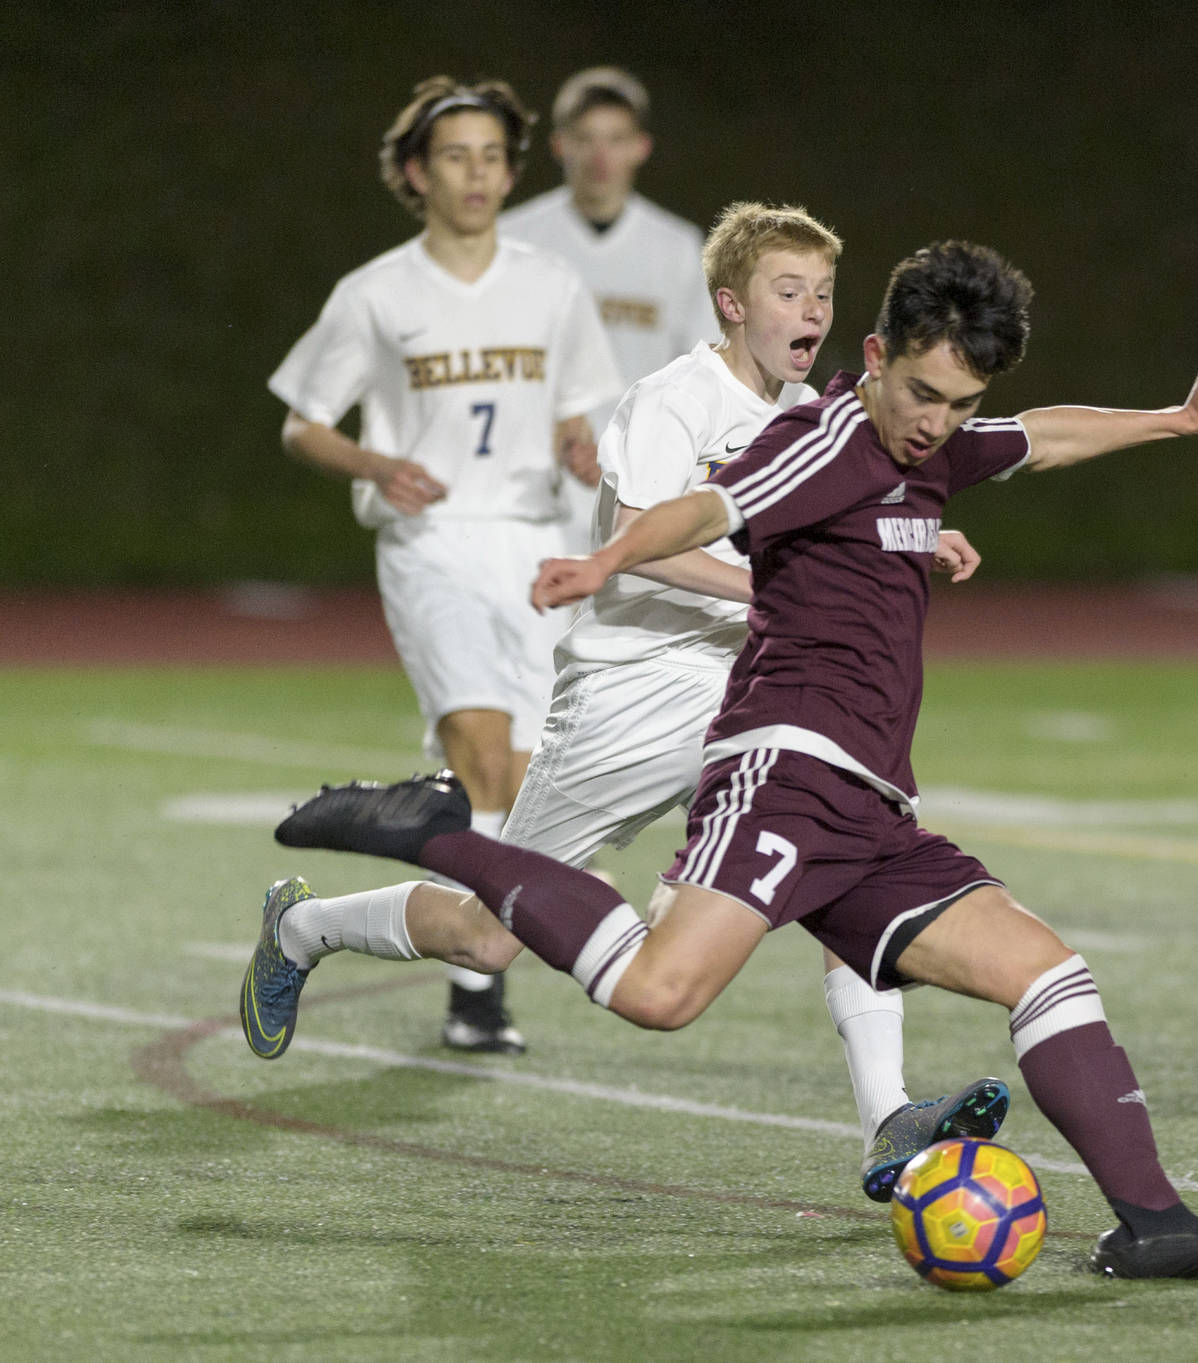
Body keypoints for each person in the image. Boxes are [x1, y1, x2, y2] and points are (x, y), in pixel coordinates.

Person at [253, 241, 1198, 1281]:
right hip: (784, 769)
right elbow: (711, 508)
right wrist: (606, 559)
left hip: (871, 813)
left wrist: (1176, 418)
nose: (936, 421)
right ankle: (433, 831)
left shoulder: (932, 444)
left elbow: (1042, 436)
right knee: (659, 992)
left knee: (1048, 976)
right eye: (921, 391)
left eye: (959, 404)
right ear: (875, 354)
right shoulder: (826, 435)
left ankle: (1153, 1222)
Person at [252, 201, 1007, 1200]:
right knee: (489, 932)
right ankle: (304, 929)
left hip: (758, 697)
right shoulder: (670, 401)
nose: (811, 309)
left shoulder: (834, 414)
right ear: (733, 304)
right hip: (633, 690)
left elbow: (868, 514)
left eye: (824, 292)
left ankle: (884, 1118)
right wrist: (774, 586)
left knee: (843, 857)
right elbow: (644, 542)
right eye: (789, 290)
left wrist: (911, 542)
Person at [267, 77, 621, 1056]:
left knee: (525, 778)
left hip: (533, 540)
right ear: (418, 172)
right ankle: (478, 993)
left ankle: (464, 967)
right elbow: (303, 425)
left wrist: (580, 450)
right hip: (430, 542)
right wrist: (375, 461)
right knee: (480, 747)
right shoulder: (376, 293)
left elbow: (576, 413)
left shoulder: (550, 285)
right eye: (455, 156)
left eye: (492, 157)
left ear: (512, 172)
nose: (476, 174)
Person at [500, 67, 723, 552]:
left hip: (642, 484)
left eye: (616, 139)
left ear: (641, 146)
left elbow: (705, 366)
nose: (601, 157)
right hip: (536, 485)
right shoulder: (515, 239)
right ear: (560, 145)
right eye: (586, 139)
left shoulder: (676, 246)